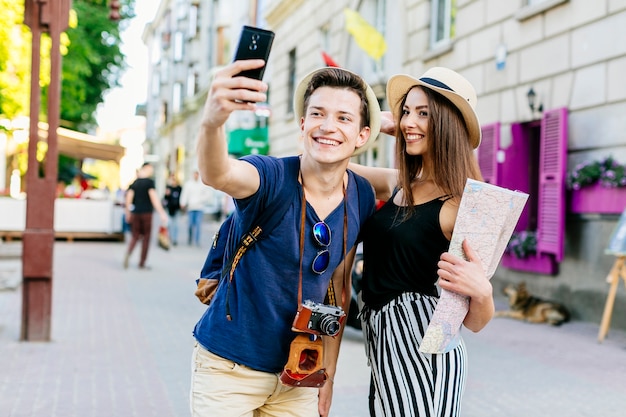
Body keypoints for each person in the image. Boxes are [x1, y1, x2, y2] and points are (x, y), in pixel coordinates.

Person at [190, 60, 380, 417]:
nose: (328, 126)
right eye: (318, 114)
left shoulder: (361, 195)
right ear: (303, 124)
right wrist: (213, 121)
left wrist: (330, 374)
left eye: (344, 118)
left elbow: (339, 289)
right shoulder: (271, 177)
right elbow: (218, 173)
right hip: (229, 370)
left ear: (363, 135)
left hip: (299, 375)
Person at [349, 67, 495, 416]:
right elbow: (329, 165)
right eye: (406, 112)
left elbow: (475, 321)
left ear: (447, 124)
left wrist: (483, 291)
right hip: (382, 341)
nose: (408, 121)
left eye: (423, 113)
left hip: (425, 348)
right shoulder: (400, 184)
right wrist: (379, 129)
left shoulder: (463, 206)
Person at [123, 162, 168, 270]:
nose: (152, 171)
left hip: (136, 213)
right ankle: (142, 263)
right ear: (146, 168)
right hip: (147, 213)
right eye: (151, 169)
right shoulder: (149, 182)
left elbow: (128, 198)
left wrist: (128, 212)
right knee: (146, 238)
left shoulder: (134, 183)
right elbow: (154, 198)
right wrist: (161, 212)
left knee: (135, 235)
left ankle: (128, 252)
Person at [179, 170, 212, 246]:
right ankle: (190, 237)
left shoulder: (202, 185)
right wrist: (182, 203)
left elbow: (208, 195)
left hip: (199, 207)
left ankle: (197, 240)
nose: (195, 176)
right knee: (190, 224)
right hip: (191, 207)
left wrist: (201, 200)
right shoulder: (189, 184)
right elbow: (185, 194)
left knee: (198, 224)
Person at [163, 173, 182, 246]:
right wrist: (166, 195)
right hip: (169, 209)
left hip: (176, 208)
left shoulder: (179, 188)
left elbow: (181, 197)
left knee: (176, 225)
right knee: (169, 224)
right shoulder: (168, 188)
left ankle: (175, 239)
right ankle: (169, 237)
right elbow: (165, 199)